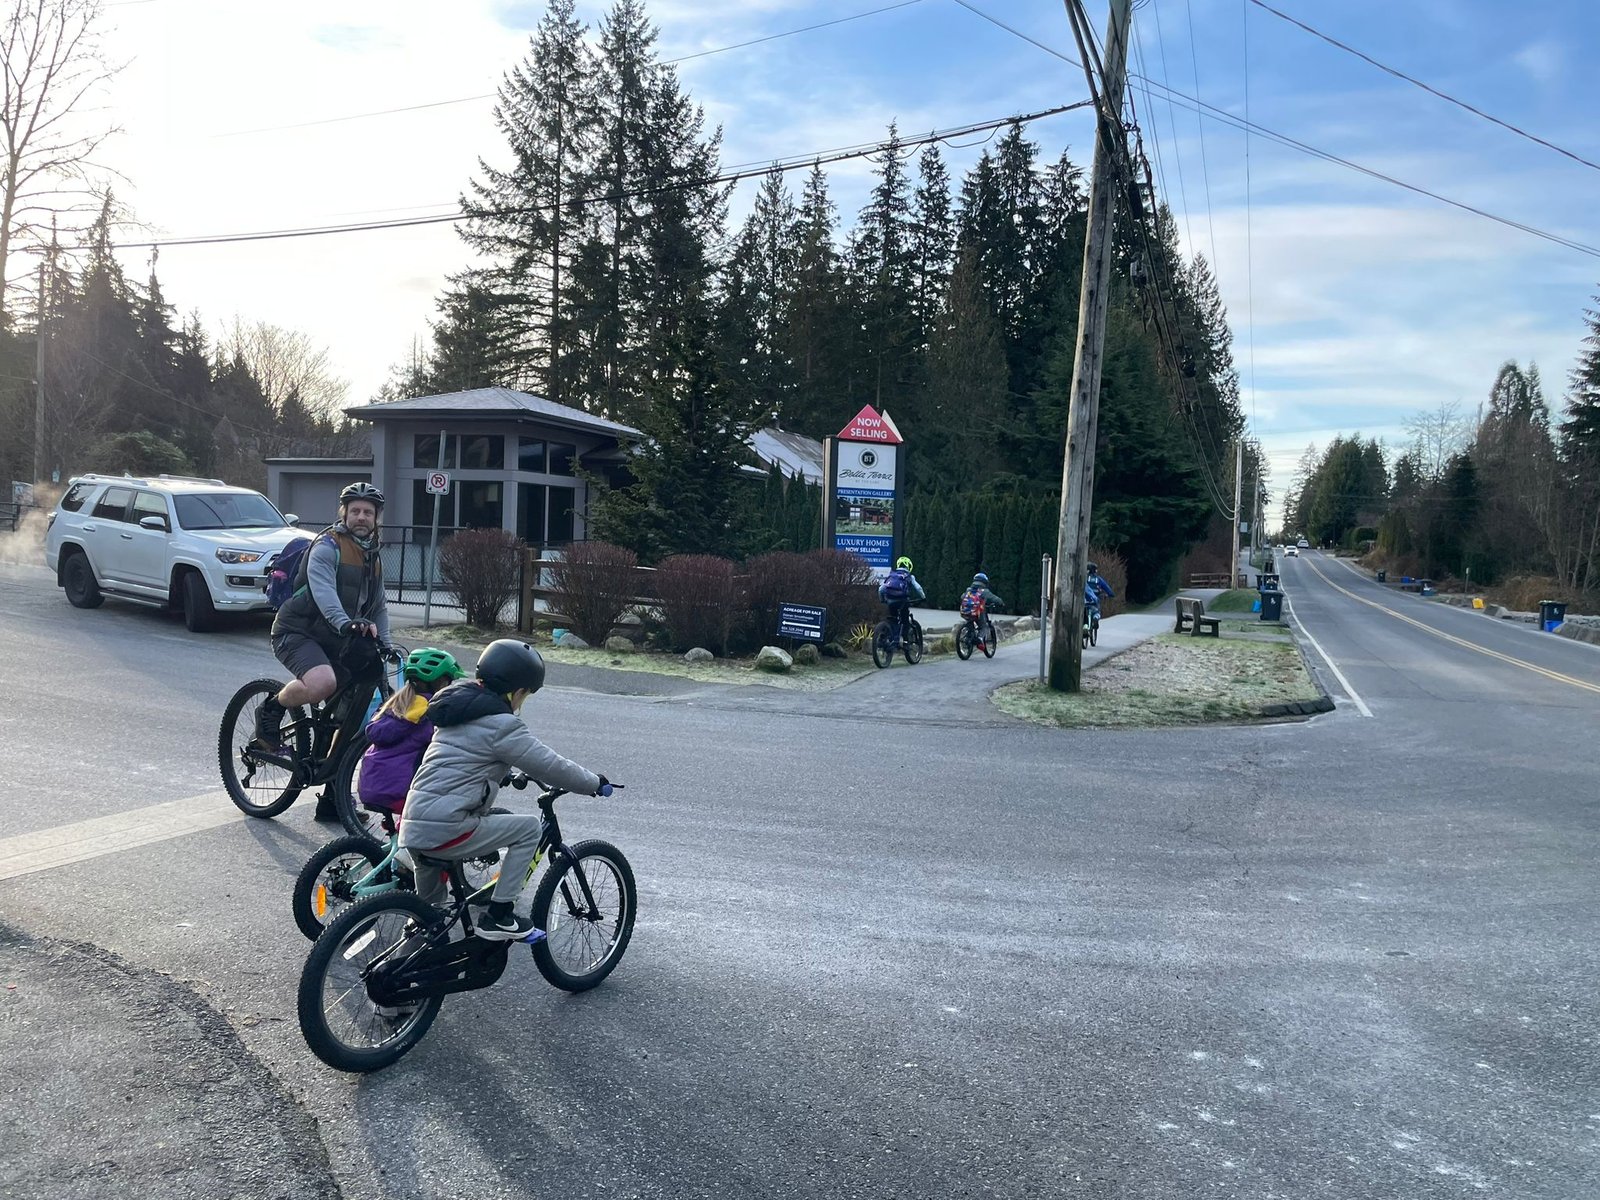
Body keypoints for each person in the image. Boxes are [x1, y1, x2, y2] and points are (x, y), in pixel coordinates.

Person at [397, 639, 610, 941]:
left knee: (429, 918)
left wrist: (501, 773)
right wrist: (593, 783)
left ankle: (406, 964)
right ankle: (499, 916)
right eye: (526, 695)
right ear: (517, 691)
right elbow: (551, 766)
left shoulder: (457, 712)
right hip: (446, 828)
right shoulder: (502, 726)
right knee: (529, 829)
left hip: (414, 826)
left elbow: (465, 759)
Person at [254, 483, 390, 819]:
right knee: (322, 683)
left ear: (376, 518)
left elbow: (379, 607)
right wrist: (345, 623)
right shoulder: (328, 545)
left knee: (354, 713)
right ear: (344, 513)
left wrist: (385, 645)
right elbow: (323, 590)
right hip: (297, 631)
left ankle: (332, 799)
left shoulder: (373, 555)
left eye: (368, 512)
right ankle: (271, 709)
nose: (361, 517)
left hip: (338, 639)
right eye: (355, 511)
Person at [354, 647, 466, 816]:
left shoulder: (395, 704)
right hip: (398, 793)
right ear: (438, 683)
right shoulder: (429, 712)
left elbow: (374, 731)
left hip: (370, 788)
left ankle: (402, 829)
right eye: (447, 683)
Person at [878, 555, 926, 647]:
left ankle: (884, 638)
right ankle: (905, 642)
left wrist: (882, 600)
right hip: (902, 601)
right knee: (905, 621)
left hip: (890, 601)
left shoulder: (891, 575)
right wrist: (923, 597)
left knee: (893, 619)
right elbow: (918, 588)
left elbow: (881, 589)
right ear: (909, 567)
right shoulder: (909, 576)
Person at [959, 572, 1005, 641]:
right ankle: (979, 639)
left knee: (970, 623)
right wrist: (1001, 603)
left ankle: (967, 638)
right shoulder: (984, 591)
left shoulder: (968, 590)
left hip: (965, 611)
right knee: (984, 627)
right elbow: (995, 599)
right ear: (985, 582)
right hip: (977, 612)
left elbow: (962, 597)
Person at [1084, 562, 1114, 632]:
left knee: (1084, 612)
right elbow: (1108, 589)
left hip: (1084, 600)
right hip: (1095, 601)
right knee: (1096, 612)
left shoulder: (1085, 578)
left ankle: (1085, 625)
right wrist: (1110, 595)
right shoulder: (1098, 579)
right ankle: (1096, 618)